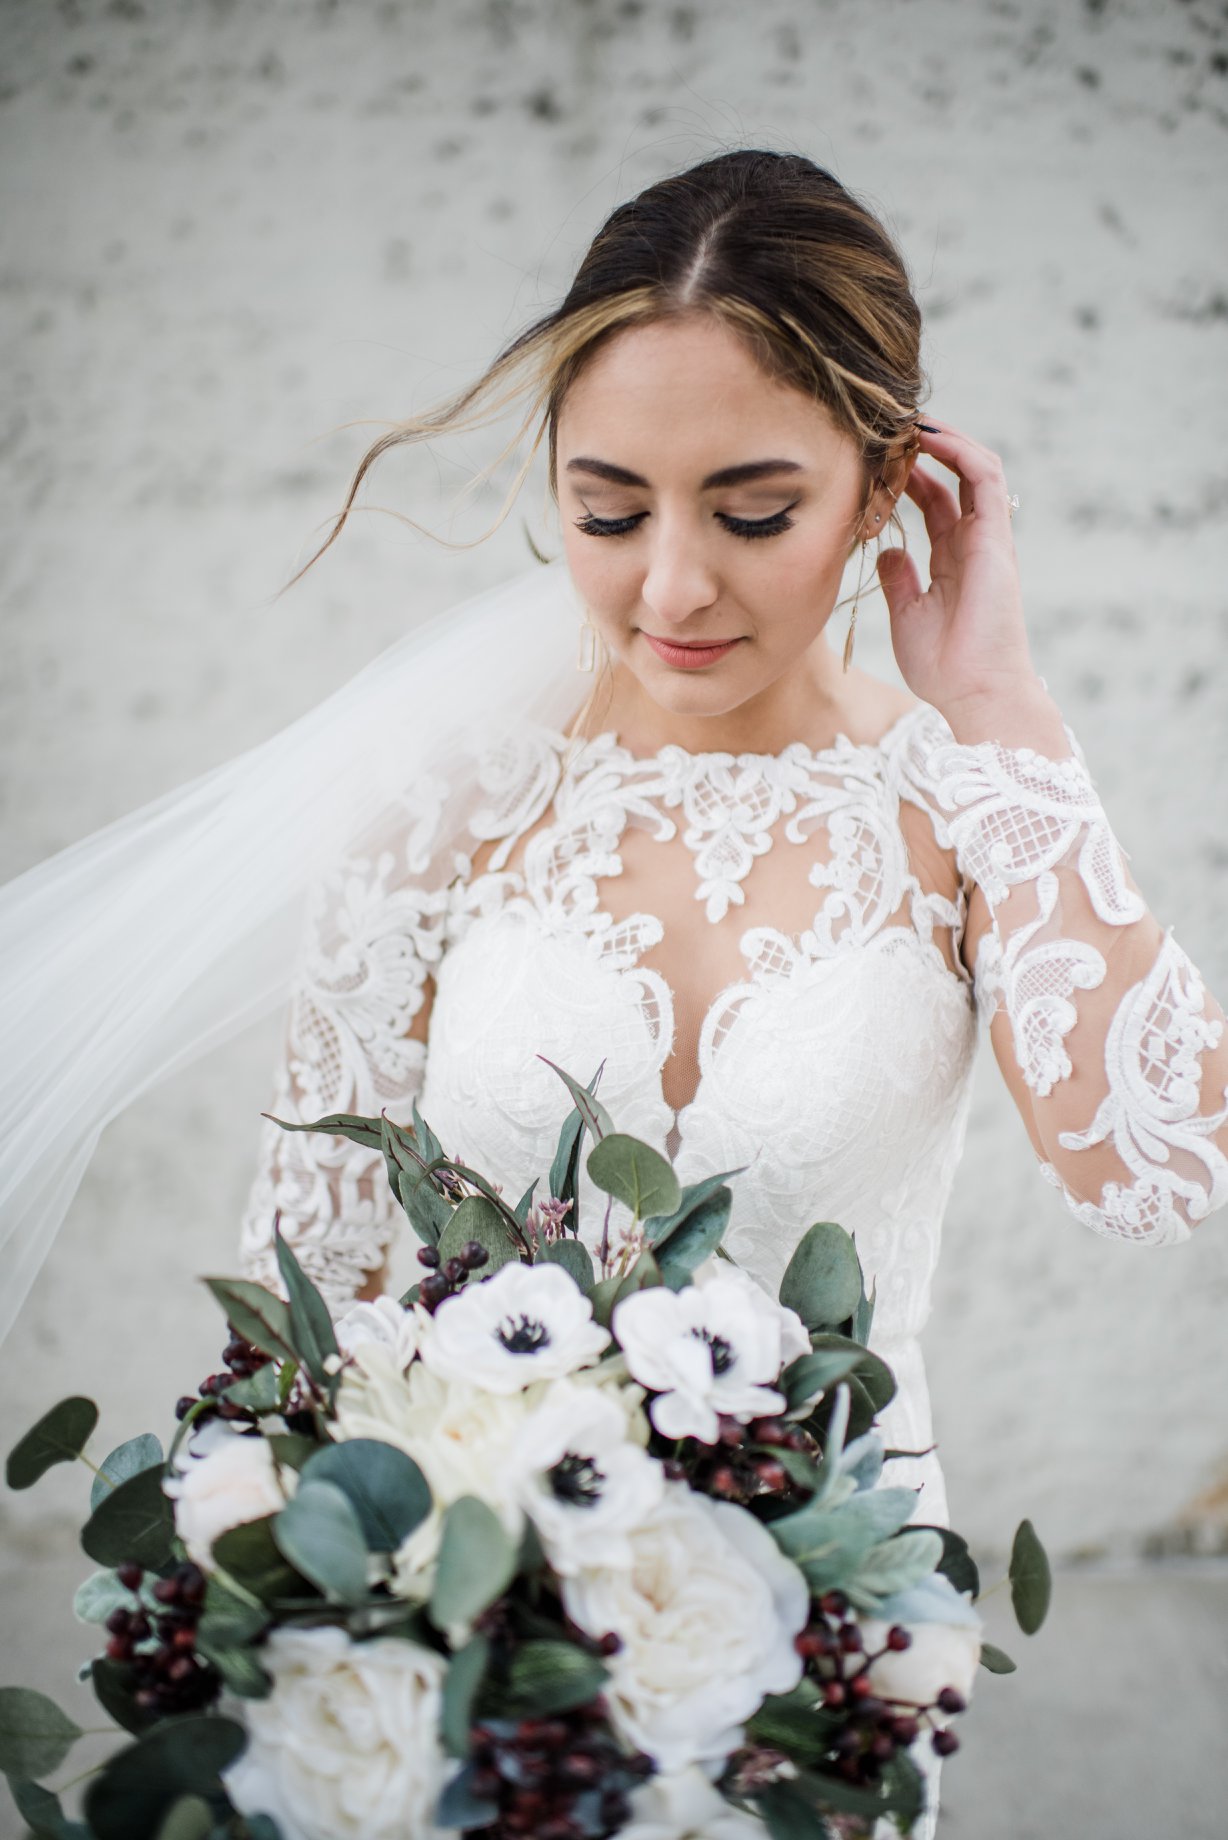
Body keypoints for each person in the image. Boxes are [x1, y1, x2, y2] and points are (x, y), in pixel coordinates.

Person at [4, 148, 1226, 1837]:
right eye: (606, 508)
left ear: (888, 487)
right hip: (467, 1658)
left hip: (835, 1658)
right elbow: (319, 1289)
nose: (671, 586)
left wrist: (1007, 715)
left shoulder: (965, 806)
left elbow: (1158, 1170)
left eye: (751, 511)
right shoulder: (449, 803)